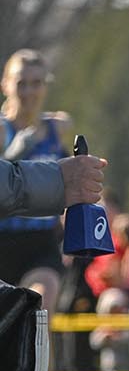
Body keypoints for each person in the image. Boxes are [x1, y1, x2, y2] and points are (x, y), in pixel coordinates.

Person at [1, 50, 73, 312]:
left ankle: (42, 354)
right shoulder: (1, 131)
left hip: (41, 243)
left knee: (39, 310)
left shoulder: (58, 128)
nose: (29, 91)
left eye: (36, 83)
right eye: (21, 83)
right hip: (3, 238)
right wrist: (10, 154)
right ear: (5, 84)